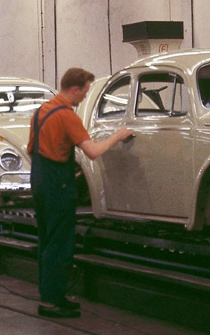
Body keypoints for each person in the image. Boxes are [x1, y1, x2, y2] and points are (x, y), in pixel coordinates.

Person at [28, 67, 133, 319]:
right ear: (75, 89)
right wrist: (117, 136)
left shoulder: (40, 111)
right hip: (58, 187)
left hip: (39, 182)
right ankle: (51, 304)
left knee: (47, 241)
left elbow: (31, 147)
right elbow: (93, 151)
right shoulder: (66, 115)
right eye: (84, 93)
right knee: (60, 245)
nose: (84, 98)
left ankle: (52, 296)